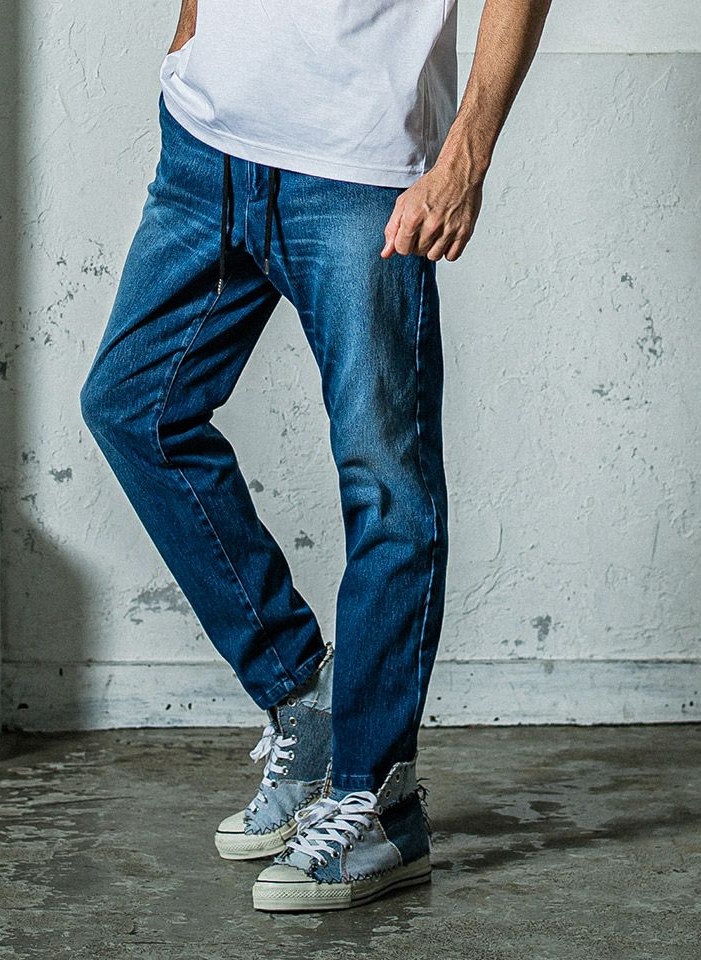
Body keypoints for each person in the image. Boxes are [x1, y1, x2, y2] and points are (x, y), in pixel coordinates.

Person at [80, 0, 552, 912]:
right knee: (134, 408)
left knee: (387, 488)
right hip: (207, 144)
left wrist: (464, 157)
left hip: (359, 168)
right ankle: (304, 692)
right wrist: (192, 40)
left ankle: (378, 802)